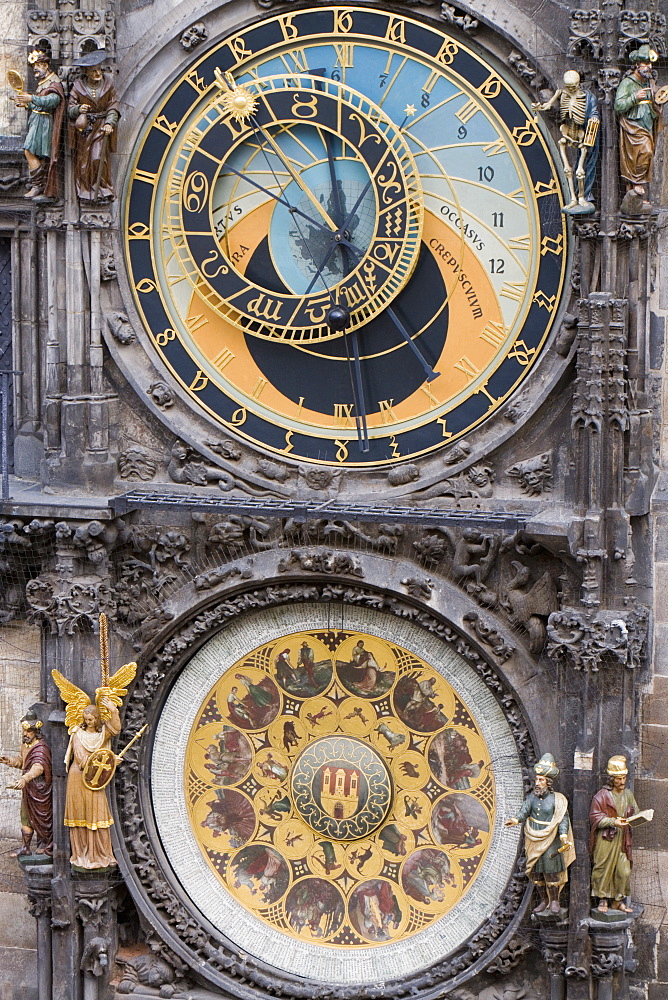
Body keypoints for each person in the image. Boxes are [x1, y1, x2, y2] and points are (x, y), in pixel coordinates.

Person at [505, 753, 575, 914]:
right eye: (537, 780)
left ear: (548, 782)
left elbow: (562, 819)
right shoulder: (532, 798)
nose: (537, 783)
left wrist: (563, 835)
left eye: (541, 780)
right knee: (536, 874)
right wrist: (515, 820)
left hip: (551, 840)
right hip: (533, 837)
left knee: (550, 873)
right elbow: (524, 811)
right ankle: (544, 900)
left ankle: (555, 901)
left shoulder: (557, 800)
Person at [63, 697, 121, 869]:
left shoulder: (101, 735)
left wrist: (113, 710)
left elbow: (116, 728)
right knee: (81, 814)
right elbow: (81, 758)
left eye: (91, 719)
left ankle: (100, 854)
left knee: (98, 814)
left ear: (96, 719)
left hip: (95, 778)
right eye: (86, 719)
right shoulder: (77, 735)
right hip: (79, 777)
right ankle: (81, 854)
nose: (88, 722)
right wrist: (109, 760)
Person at [532, 70, 599, 214]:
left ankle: (582, 197)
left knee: (580, 171)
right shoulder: (561, 93)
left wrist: (593, 121)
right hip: (566, 132)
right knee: (567, 170)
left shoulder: (587, 97)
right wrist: (540, 107)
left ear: (578, 84)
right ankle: (573, 198)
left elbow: (593, 112)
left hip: (581, 135)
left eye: (573, 86)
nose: (571, 89)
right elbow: (548, 105)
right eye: (568, 86)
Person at [589, 755, 643, 914]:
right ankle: (603, 899)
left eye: (624, 778)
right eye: (619, 779)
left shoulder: (628, 795)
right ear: (611, 779)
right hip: (606, 839)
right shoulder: (601, 796)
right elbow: (595, 817)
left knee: (624, 871)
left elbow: (635, 810)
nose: (622, 782)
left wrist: (637, 817)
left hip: (622, 839)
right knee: (603, 869)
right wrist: (613, 822)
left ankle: (618, 901)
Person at [12, 46, 65, 201]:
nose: (35, 70)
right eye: (33, 67)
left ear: (45, 66)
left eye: (37, 67)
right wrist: (27, 104)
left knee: (29, 150)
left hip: (44, 124)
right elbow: (40, 103)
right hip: (37, 120)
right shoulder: (43, 82)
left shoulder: (54, 83)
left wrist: (31, 99)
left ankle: (38, 185)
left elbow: (53, 101)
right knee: (36, 154)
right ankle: (39, 184)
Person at [68, 49, 120, 203]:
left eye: (99, 69)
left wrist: (110, 123)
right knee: (84, 161)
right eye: (93, 71)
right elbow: (70, 109)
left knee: (98, 158)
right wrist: (78, 109)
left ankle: (102, 189)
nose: (98, 73)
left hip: (102, 126)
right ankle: (86, 192)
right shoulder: (78, 86)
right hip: (85, 129)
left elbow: (113, 106)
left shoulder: (108, 85)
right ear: (86, 72)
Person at [0, 711, 52, 856]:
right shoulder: (25, 745)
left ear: (36, 731)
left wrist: (25, 778)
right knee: (25, 817)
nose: (26, 734)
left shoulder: (41, 748)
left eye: (29, 731)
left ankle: (46, 844)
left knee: (42, 819)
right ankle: (25, 847)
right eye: (24, 730)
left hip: (39, 790)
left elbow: (38, 767)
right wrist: (9, 761)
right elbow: (22, 762)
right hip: (28, 789)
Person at [614, 45, 659, 206]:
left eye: (650, 64)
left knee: (646, 154)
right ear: (637, 65)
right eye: (646, 64)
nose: (649, 67)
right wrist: (635, 97)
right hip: (632, 128)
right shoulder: (627, 83)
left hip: (647, 126)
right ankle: (635, 184)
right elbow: (618, 106)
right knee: (641, 154)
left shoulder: (648, 82)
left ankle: (633, 190)